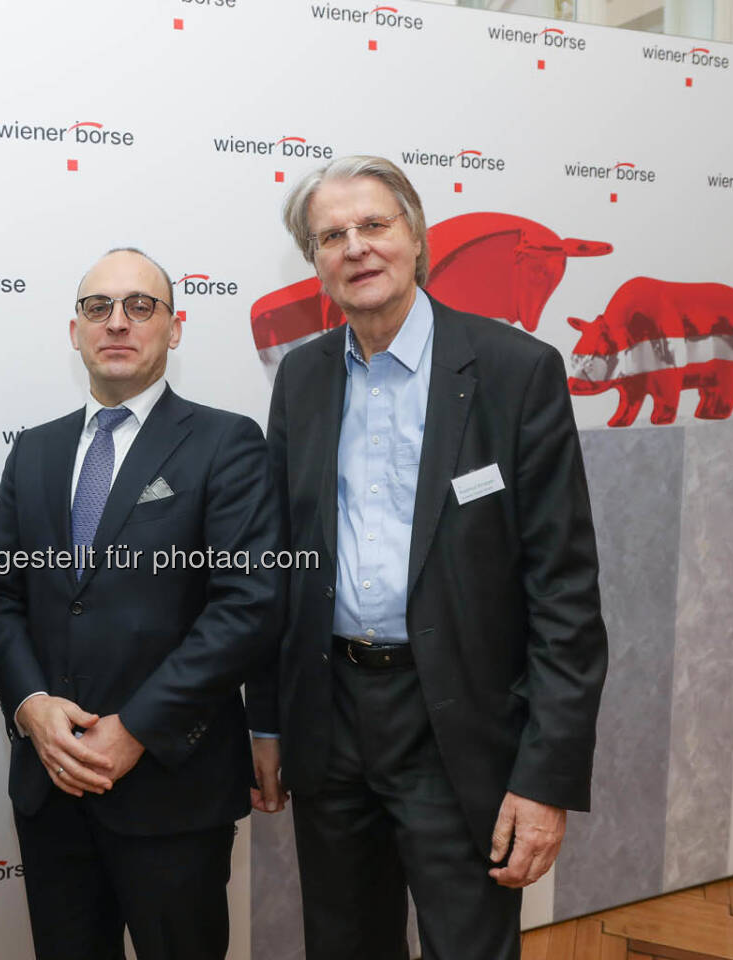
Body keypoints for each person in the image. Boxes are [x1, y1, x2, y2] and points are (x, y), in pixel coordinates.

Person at [247, 156, 608, 960]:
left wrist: (545, 780)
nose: (355, 248)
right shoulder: (302, 377)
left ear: (417, 238)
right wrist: (266, 718)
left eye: (374, 225)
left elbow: (564, 594)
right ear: (315, 263)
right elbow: (280, 570)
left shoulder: (516, 371)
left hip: (458, 725)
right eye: (330, 235)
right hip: (330, 720)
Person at [0, 247, 280, 960]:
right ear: (74, 329)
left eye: (140, 306)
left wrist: (136, 727)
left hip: (172, 786)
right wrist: (29, 706)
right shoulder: (37, 451)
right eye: (98, 307)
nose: (118, 322)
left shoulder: (225, 442)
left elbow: (249, 604)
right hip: (52, 788)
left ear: (173, 329)